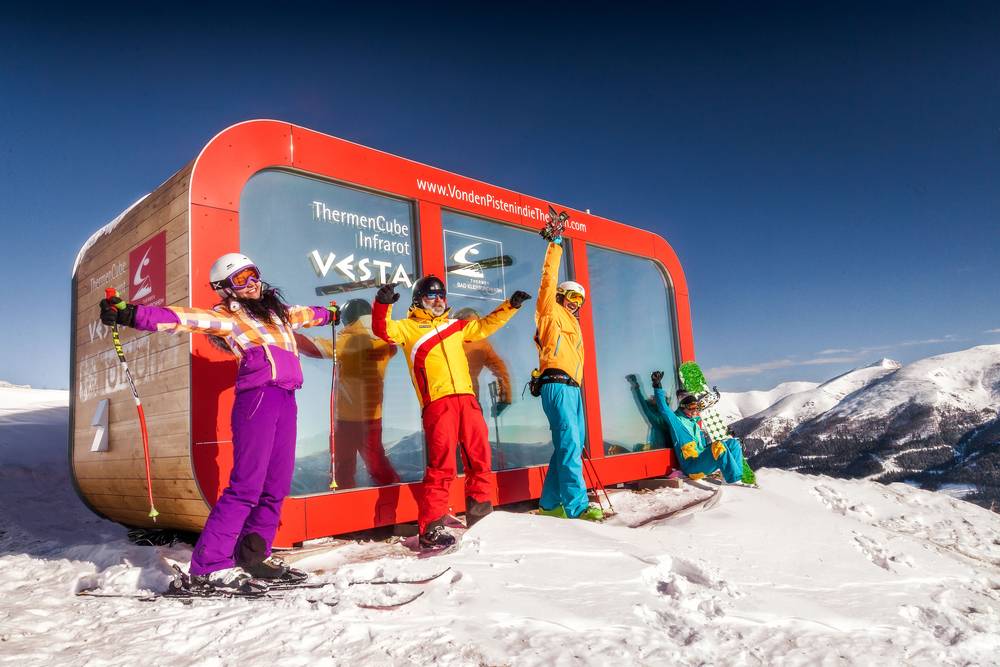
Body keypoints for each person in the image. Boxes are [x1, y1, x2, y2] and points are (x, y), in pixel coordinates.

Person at [99, 253, 337, 593]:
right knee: (246, 486)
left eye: (253, 274)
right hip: (257, 400)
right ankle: (209, 566)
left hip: (286, 399)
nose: (251, 283)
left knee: (276, 485)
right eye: (240, 279)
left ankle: (254, 555)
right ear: (225, 288)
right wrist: (131, 313)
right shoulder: (229, 319)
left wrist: (332, 313)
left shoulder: (280, 314)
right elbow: (183, 318)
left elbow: (310, 314)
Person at [372, 276, 531, 548]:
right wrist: (382, 304)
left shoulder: (454, 326)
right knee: (442, 465)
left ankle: (481, 519)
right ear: (418, 300)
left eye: (441, 295)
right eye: (431, 296)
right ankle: (431, 528)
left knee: (480, 458)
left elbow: (483, 326)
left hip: (467, 400)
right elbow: (382, 330)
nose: (438, 300)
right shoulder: (408, 328)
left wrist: (510, 306)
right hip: (438, 402)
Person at [533, 220, 604, 521]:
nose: (576, 303)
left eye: (580, 300)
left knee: (571, 445)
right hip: (557, 384)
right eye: (572, 296)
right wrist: (556, 246)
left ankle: (550, 505)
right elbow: (547, 281)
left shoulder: (574, 323)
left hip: (573, 388)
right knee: (570, 443)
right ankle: (577, 506)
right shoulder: (549, 312)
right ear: (561, 296)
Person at [297, 298, 400, 489]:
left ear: (349, 319)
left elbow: (313, 347)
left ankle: (344, 502)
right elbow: (393, 348)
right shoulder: (385, 343)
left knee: (342, 469)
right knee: (378, 463)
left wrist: (285, 334)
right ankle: (395, 496)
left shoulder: (347, 341)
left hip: (345, 419)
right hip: (373, 417)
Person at [649, 370, 745, 483]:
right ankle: (733, 480)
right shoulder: (677, 422)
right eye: (691, 407)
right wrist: (657, 387)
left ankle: (736, 477)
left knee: (733, 443)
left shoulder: (695, 424)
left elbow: (703, 448)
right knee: (718, 446)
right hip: (691, 466)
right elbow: (664, 409)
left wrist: (724, 440)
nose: (695, 410)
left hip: (701, 461)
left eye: (697, 407)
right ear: (683, 407)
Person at [454, 307, 512, 415]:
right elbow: (501, 370)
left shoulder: (445, 336)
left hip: (443, 398)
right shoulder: (482, 342)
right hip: (471, 398)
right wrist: (504, 398)